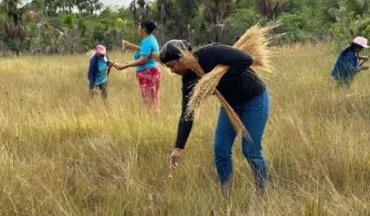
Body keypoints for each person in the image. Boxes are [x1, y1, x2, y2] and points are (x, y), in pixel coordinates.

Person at [160, 40, 270, 191]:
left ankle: (262, 191)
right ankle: (226, 190)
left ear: (184, 57)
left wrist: (217, 81)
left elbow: (246, 59)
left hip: (254, 99)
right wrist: (178, 148)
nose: (172, 70)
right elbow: (187, 113)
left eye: (172, 66)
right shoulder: (189, 81)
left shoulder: (211, 53)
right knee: (220, 149)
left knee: (250, 149)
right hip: (230, 105)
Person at [114, 20, 161, 108]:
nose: (138, 29)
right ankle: (154, 120)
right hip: (152, 71)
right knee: (153, 99)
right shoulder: (150, 39)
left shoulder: (147, 41)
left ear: (144, 29)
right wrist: (129, 46)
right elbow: (145, 51)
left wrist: (125, 65)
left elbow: (143, 60)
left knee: (149, 102)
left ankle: (152, 120)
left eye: (139, 27)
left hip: (148, 73)